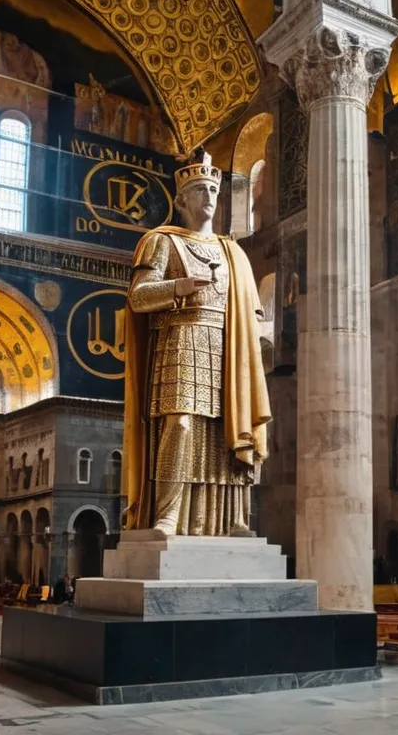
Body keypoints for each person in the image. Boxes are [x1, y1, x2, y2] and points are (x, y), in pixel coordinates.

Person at [121, 149, 271, 536]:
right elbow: (138, 297)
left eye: (212, 191)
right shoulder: (161, 241)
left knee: (229, 428)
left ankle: (232, 518)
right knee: (182, 425)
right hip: (181, 340)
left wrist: (260, 338)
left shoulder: (234, 251)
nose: (208, 197)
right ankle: (168, 514)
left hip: (229, 347)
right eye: (200, 190)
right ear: (181, 199)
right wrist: (179, 287)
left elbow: (253, 313)